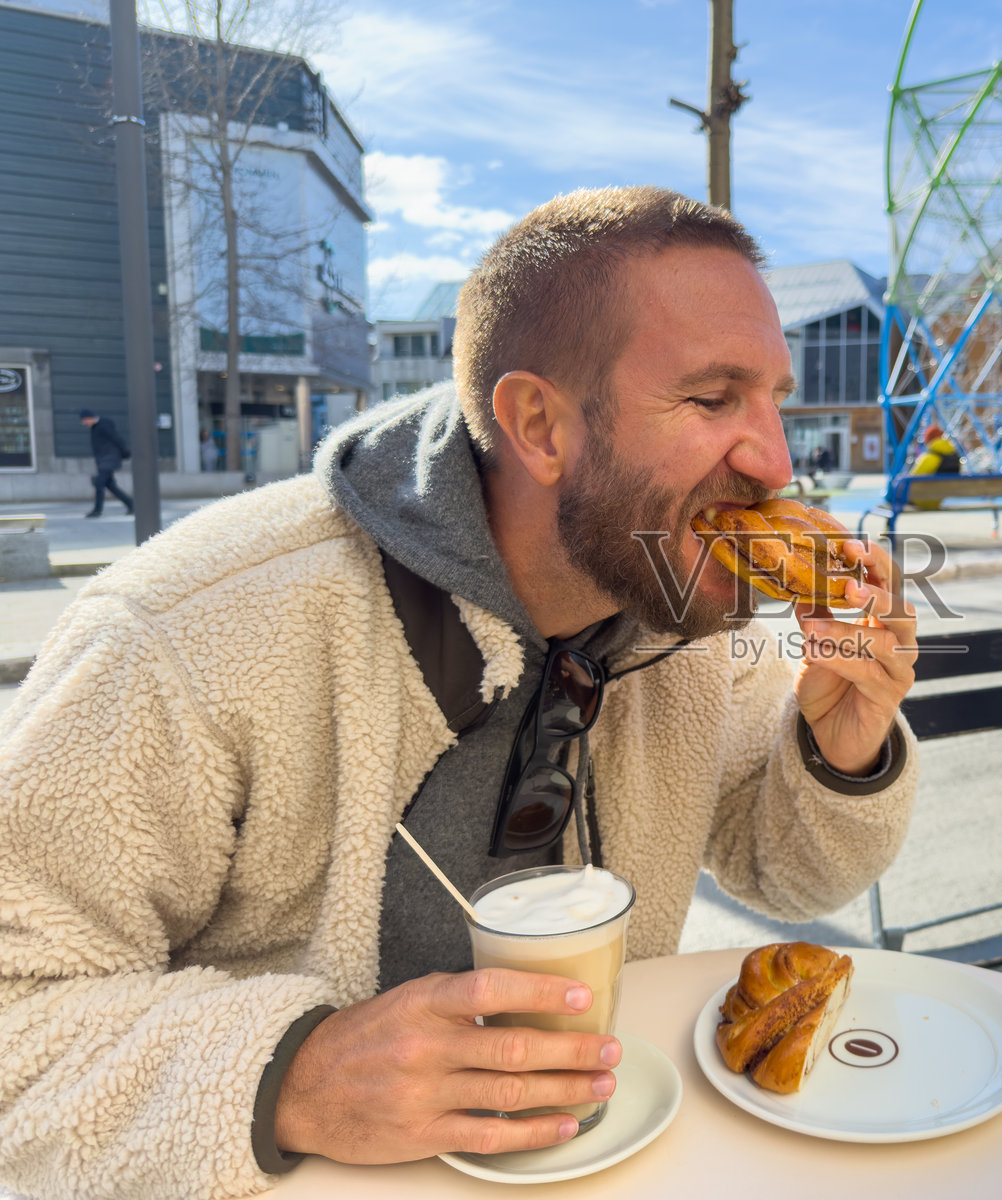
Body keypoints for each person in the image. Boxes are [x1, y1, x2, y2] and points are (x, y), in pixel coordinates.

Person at [0, 188, 921, 1199]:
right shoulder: (187, 628)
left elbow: (786, 876)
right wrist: (289, 1079)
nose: (775, 460)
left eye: (774, 399)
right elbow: (19, 1023)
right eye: (710, 399)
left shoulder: (678, 612)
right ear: (537, 421)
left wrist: (841, 749)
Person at [79, 407, 133, 516]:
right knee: (110, 485)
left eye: (84, 421)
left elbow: (116, 438)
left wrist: (125, 452)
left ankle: (97, 511)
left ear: (89, 418)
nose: (84, 424)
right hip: (103, 460)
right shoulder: (95, 427)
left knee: (99, 484)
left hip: (109, 459)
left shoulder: (104, 425)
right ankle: (131, 505)